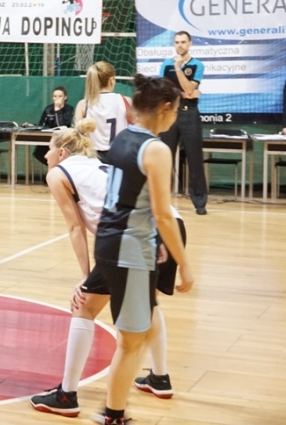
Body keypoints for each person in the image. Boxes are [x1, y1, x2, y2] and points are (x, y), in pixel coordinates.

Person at [30, 120, 186, 417]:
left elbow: (75, 227)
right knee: (149, 305)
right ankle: (159, 377)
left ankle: (67, 395)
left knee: (84, 308)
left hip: (135, 236)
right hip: (172, 224)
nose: (45, 155)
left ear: (62, 153)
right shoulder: (97, 164)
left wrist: (84, 277)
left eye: (48, 149)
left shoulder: (57, 173)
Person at [92, 74, 193, 425]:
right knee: (131, 342)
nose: (175, 117)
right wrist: (184, 263)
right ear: (164, 108)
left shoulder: (123, 137)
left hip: (111, 240)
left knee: (146, 327)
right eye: (176, 111)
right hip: (128, 248)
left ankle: (148, 384)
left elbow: (134, 198)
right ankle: (113, 415)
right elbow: (164, 214)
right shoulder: (156, 149)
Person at [159, 31, 208, 215]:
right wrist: (185, 93)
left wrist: (179, 69)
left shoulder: (197, 65)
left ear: (190, 44)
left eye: (183, 42)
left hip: (189, 114)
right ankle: (161, 200)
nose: (180, 45)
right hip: (169, 114)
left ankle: (200, 202)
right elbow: (164, 91)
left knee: (195, 159)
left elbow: (189, 89)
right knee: (164, 158)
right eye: (177, 42)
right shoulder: (166, 65)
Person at [75, 61, 131, 162]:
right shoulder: (126, 101)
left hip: (93, 157)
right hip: (120, 156)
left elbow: (79, 136)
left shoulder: (84, 104)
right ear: (111, 80)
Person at [31, 86, 74, 166]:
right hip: (49, 138)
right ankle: (52, 167)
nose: (57, 98)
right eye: (55, 96)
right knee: (39, 152)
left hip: (63, 140)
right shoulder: (48, 109)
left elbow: (62, 125)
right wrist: (32, 126)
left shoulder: (69, 109)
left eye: (60, 96)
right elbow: (42, 125)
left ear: (65, 97)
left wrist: (57, 110)